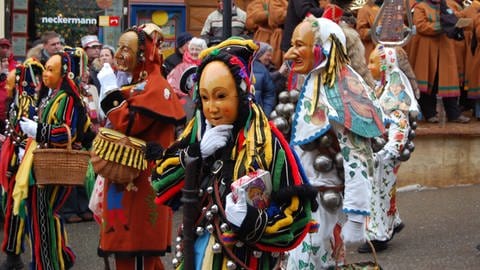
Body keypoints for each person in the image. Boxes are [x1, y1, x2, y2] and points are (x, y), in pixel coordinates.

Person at [151, 38, 318, 269]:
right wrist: (196, 154)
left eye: (221, 96)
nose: (212, 107)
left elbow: (297, 216)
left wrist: (252, 221)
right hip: (199, 253)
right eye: (205, 97)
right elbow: (160, 180)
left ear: (241, 94)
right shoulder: (198, 132)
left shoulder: (268, 141)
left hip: (245, 259)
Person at [283, 17, 385, 269]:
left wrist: (357, 217)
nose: (289, 53)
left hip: (324, 209)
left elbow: (358, 157)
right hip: (302, 205)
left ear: (324, 47)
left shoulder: (341, 90)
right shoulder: (313, 80)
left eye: (299, 45)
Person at [96, 23, 186, 270]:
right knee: (127, 245)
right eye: (119, 47)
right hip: (126, 176)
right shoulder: (138, 81)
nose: (120, 54)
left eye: (127, 48)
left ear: (143, 53)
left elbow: (129, 123)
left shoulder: (156, 86)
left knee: (137, 247)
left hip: (142, 178)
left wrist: (109, 91)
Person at [15, 47, 94, 269]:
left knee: (43, 215)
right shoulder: (53, 96)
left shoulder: (66, 98)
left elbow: (66, 132)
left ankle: (48, 263)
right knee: (40, 214)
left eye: (51, 70)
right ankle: (57, 257)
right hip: (43, 163)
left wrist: (37, 130)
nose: (45, 74)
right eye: (45, 69)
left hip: (54, 165)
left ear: (63, 74)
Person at [360, 44, 420, 253]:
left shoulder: (395, 91)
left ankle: (378, 236)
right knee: (381, 191)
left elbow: (399, 122)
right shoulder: (382, 86)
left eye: (373, 62)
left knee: (379, 192)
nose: (369, 66)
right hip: (378, 151)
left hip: (384, 154)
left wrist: (391, 149)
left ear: (386, 65)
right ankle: (393, 222)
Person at [0, 58, 44, 270]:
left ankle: (18, 254)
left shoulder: (26, 101)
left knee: (19, 208)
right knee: (18, 208)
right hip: (18, 160)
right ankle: (17, 253)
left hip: (24, 161)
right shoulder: (22, 100)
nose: (7, 86)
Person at [409, 0, 470, 123]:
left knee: (449, 81)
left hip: (445, 51)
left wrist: (456, 22)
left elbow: (457, 17)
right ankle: (430, 113)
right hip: (427, 52)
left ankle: (454, 114)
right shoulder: (420, 7)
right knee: (429, 83)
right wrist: (442, 26)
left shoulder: (448, 5)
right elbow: (421, 26)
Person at [167, 37, 208, 120]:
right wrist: (185, 95)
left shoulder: (207, 66)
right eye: (192, 49)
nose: (194, 52)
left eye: (197, 49)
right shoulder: (180, 67)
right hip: (185, 103)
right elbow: (171, 85)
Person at [252, 42, 276, 116]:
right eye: (268, 55)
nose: (270, 58)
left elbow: (269, 93)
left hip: (258, 117)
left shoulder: (264, 70)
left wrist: (265, 114)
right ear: (259, 55)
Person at [0, 38, 16, 135]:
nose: (5, 50)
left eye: (7, 47)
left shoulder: (15, 66)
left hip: (9, 112)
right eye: (2, 47)